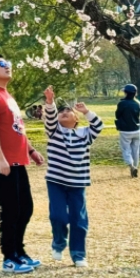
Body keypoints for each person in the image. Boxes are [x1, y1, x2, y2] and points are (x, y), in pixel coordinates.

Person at [0, 55, 45, 274]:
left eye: (9, 63)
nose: (8, 67)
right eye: (2, 64)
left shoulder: (7, 95)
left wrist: (31, 150)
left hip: (17, 160)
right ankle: (9, 258)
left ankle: (19, 251)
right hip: (2, 163)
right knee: (10, 210)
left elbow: (17, 129)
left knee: (25, 208)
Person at [43, 86, 103, 267]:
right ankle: (59, 242)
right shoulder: (54, 131)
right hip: (56, 181)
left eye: (69, 111)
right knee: (58, 216)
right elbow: (51, 118)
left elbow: (98, 125)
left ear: (77, 119)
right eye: (61, 112)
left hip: (78, 183)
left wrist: (86, 111)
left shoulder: (84, 134)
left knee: (79, 218)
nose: (64, 112)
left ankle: (78, 254)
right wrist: (50, 102)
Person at [116, 84, 140, 178]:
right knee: (136, 150)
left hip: (125, 131)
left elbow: (118, 115)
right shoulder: (138, 103)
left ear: (126, 92)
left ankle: (131, 166)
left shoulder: (122, 103)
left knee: (126, 150)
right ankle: (135, 167)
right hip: (137, 130)